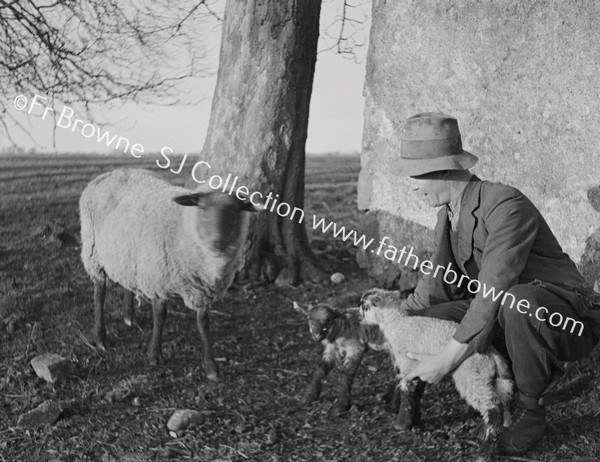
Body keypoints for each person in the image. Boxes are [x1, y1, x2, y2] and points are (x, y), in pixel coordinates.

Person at [394, 112, 600, 455]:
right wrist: (394, 318)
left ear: (444, 169)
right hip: (507, 313)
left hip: (561, 318)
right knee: (432, 315)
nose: (412, 185)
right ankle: (484, 385)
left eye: (416, 175)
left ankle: (532, 409)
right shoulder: (447, 216)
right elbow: (436, 285)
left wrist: (447, 358)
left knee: (518, 300)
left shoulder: (505, 203)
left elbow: (494, 286)